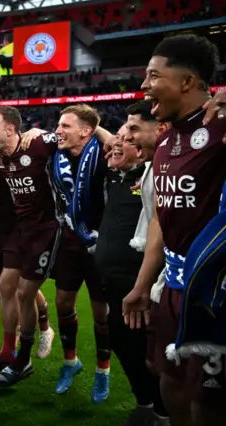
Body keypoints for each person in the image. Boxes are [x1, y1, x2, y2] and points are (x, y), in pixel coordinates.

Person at [123, 34, 226, 426]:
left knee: (210, 403)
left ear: (186, 82)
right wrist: (142, 284)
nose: (144, 85)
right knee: (169, 380)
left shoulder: (220, 127)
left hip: (214, 293)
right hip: (171, 288)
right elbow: (161, 218)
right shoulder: (166, 140)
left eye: (153, 75)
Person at [94, 119, 169, 426]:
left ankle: (165, 412)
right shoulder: (113, 178)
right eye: (115, 140)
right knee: (124, 345)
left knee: (151, 354)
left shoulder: (151, 175)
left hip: (139, 282)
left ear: (140, 151)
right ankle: (146, 404)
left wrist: (145, 282)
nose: (115, 145)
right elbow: (103, 140)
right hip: (111, 282)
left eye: (126, 140)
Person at [0, 106, 60, 388]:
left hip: (46, 229)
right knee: (3, 286)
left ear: (11, 129)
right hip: (21, 229)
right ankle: (7, 350)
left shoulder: (38, 144)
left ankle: (24, 359)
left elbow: (76, 137)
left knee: (26, 292)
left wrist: (42, 131)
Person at [51, 104, 112, 403]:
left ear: (86, 131)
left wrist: (96, 126)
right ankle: (70, 362)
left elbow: (117, 143)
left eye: (65, 126)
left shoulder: (104, 155)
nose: (58, 131)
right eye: (58, 125)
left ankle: (103, 372)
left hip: (101, 243)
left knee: (102, 314)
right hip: (70, 240)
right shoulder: (57, 156)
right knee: (62, 303)